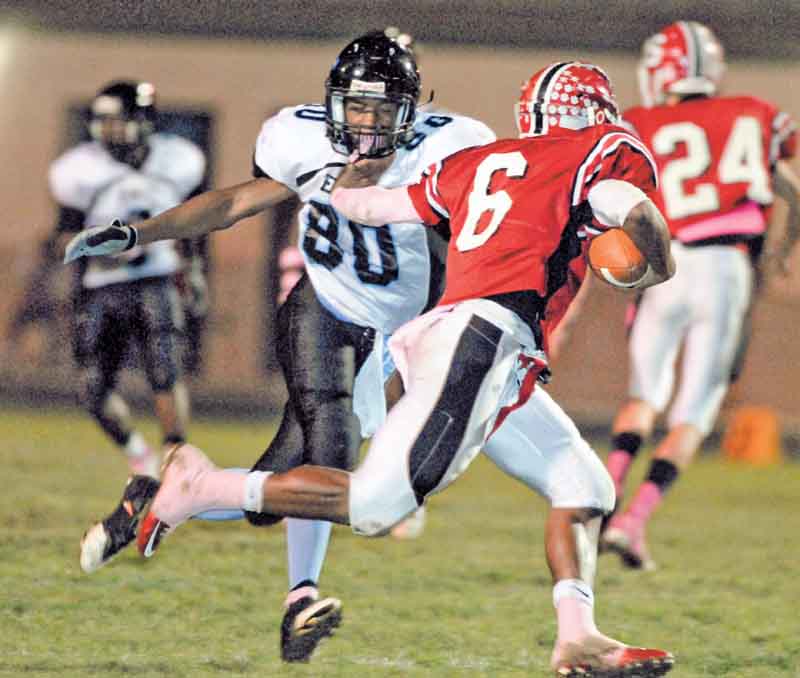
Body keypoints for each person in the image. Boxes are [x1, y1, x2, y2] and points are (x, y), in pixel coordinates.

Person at [83, 61, 678, 677]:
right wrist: (654, 263)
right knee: (372, 505)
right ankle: (200, 487)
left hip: (477, 344)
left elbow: (373, 206)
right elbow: (627, 205)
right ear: (598, 114)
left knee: (585, 486)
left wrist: (338, 185)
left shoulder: (477, 163)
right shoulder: (596, 154)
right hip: (482, 339)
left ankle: (578, 638)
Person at [68, 32, 497, 662]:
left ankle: (163, 496)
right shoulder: (298, 139)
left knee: (278, 489)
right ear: (333, 103)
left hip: (389, 331)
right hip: (320, 308)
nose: (368, 124)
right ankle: (300, 599)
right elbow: (235, 202)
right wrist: (141, 232)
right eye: (357, 107)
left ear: (412, 109)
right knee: (334, 454)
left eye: (383, 110)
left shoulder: (452, 145)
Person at [600, 21, 799, 571]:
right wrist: (781, 250)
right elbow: (790, 189)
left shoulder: (640, 124)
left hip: (667, 259)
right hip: (726, 266)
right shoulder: (754, 113)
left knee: (643, 396)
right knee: (693, 414)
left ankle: (605, 497)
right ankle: (632, 522)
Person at [51, 80, 206, 476]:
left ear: (144, 120)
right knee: (92, 386)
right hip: (103, 285)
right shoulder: (81, 170)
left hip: (158, 277)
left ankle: (176, 461)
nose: (109, 129)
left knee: (166, 370)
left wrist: (193, 270)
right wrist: (99, 246)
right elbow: (63, 235)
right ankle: (138, 452)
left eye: (118, 120)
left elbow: (193, 223)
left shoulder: (177, 161)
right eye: (102, 121)